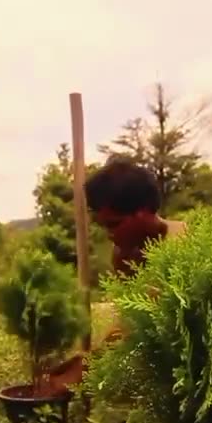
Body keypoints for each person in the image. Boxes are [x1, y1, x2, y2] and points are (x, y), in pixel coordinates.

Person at [41, 159, 187, 392]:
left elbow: (141, 332)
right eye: (104, 226)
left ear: (146, 211)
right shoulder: (126, 255)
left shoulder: (184, 250)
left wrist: (83, 371)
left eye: (115, 224)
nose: (109, 234)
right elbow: (128, 322)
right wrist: (85, 360)